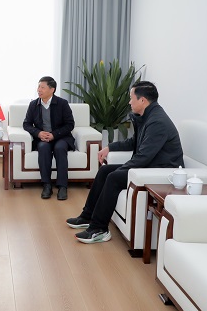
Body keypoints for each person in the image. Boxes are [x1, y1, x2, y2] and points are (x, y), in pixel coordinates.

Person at [66, 80, 184, 243]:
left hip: (160, 171)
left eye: (131, 98)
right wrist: (110, 147)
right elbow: (134, 142)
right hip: (150, 165)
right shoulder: (147, 116)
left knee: (113, 177)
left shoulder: (157, 122)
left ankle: (99, 229)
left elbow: (143, 157)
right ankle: (87, 216)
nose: (129, 102)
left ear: (142, 100)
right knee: (105, 170)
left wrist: (120, 170)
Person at [23, 76, 75, 200]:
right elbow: (26, 124)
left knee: (60, 148)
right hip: (42, 139)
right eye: (38, 87)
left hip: (61, 137)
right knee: (43, 148)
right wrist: (38, 133)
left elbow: (70, 124)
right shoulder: (33, 104)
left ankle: (62, 186)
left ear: (52, 89)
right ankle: (47, 185)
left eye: (42, 87)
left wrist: (54, 134)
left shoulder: (62, 103)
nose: (39, 90)